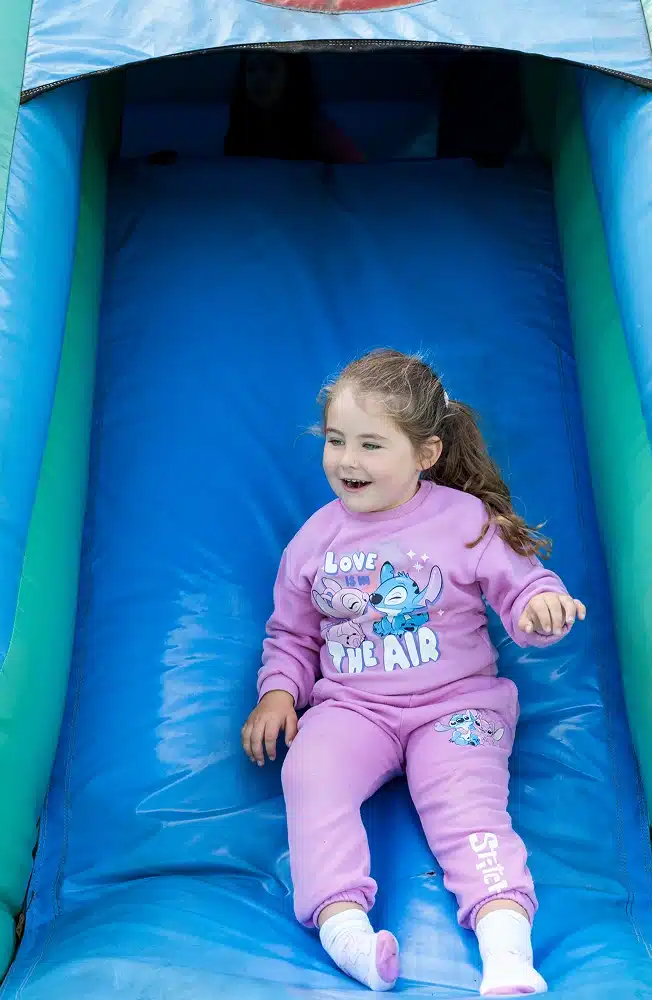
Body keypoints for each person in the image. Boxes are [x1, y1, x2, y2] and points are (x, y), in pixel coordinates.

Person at [241, 349, 586, 995]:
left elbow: (523, 589)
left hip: (457, 706)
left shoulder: (462, 520)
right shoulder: (314, 541)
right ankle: (345, 927)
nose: (348, 461)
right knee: (309, 773)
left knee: (467, 807)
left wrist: (543, 608)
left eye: (371, 445)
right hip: (353, 709)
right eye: (336, 441)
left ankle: (506, 948)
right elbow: (291, 633)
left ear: (425, 453)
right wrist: (279, 693)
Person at [224, 50, 363, 163]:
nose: (258, 78)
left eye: (271, 69)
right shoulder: (240, 127)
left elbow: (356, 174)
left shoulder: (318, 130)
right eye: (250, 69)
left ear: (291, 77)